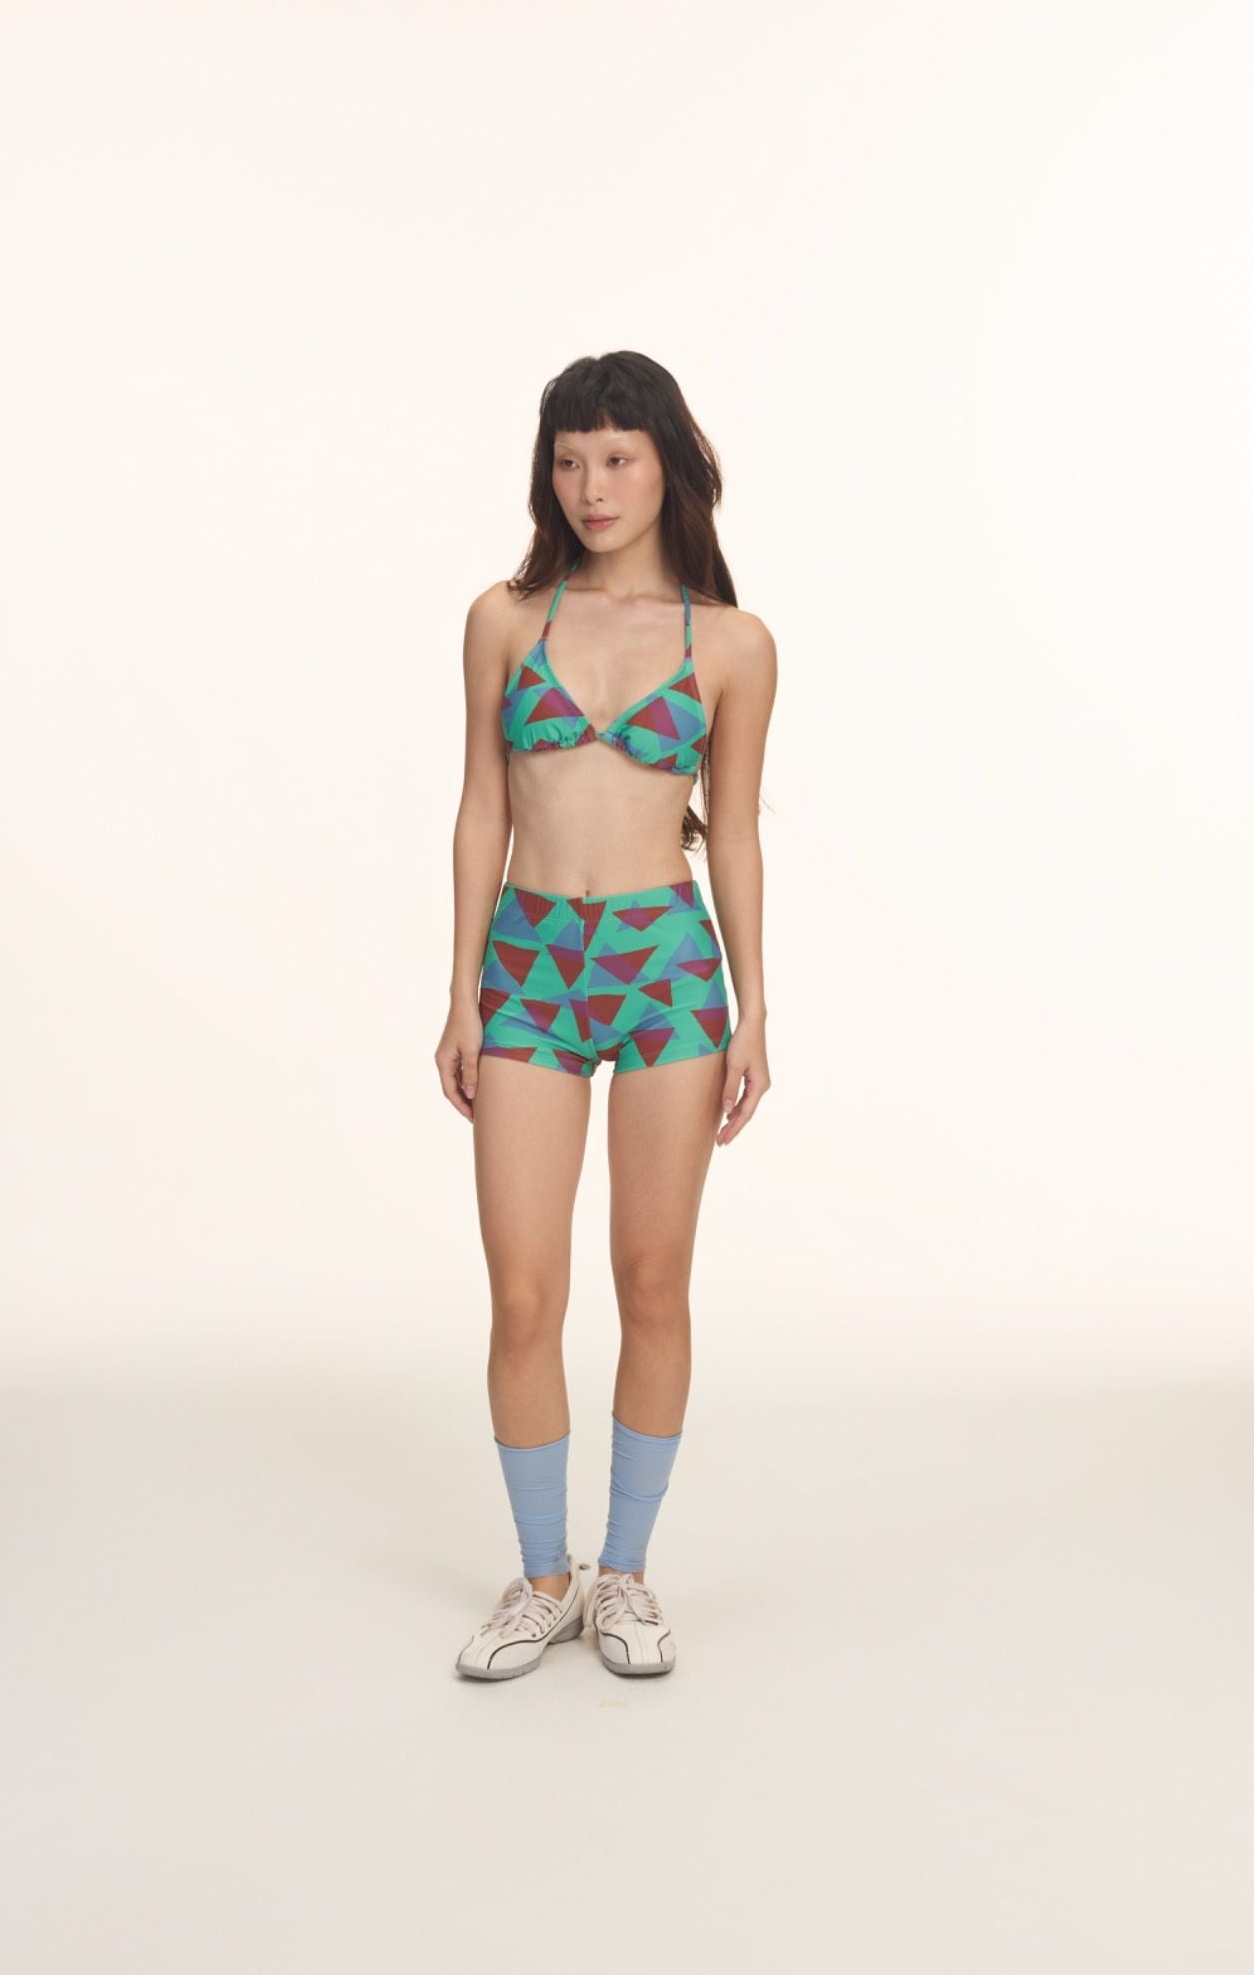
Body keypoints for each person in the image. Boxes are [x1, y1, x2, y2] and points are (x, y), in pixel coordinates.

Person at [435, 350, 776, 1680]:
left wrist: (754, 1010)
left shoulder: (730, 644)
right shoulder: (503, 620)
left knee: (651, 1278)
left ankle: (624, 1576)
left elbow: (733, 835)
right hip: (530, 967)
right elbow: (480, 808)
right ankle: (541, 1578)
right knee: (523, 1293)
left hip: (666, 973)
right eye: (569, 459)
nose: (592, 485)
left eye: (618, 458)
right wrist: (461, 992)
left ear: (668, 465)